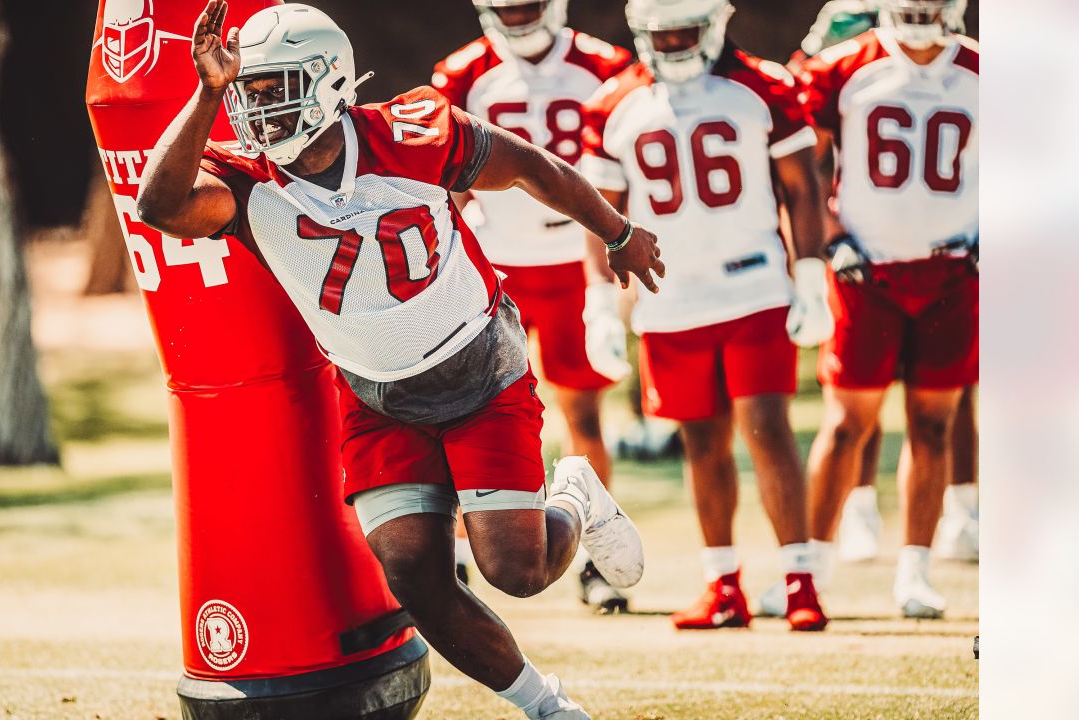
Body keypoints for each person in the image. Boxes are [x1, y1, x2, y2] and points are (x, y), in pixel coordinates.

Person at [137, 3, 664, 717]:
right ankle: (546, 705)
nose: (258, 110)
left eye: (274, 89)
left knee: (517, 570)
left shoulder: (416, 131)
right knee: (414, 575)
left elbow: (531, 165)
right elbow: (158, 204)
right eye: (247, 94)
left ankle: (575, 492)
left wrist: (618, 229)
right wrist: (206, 94)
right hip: (378, 398)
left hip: (479, 372)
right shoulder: (246, 179)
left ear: (327, 81)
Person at [578, 0, 833, 632]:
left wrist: (810, 275)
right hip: (670, 297)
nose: (670, 45)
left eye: (682, 31)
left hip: (754, 287)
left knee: (767, 425)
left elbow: (802, 187)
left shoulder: (765, 87)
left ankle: (801, 580)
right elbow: (599, 211)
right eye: (659, 34)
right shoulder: (613, 105)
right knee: (700, 440)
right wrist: (600, 303)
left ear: (714, 25)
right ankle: (723, 585)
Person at [431, 0, 635, 612]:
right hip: (493, 267)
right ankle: (463, 554)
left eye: (527, 7)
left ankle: (594, 556)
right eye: (506, 9)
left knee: (585, 415)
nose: (518, 19)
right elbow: (448, 183)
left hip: (577, 266)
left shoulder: (605, 66)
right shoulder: (463, 72)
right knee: (469, 414)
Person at [798, 0, 978, 618]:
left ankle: (915, 573)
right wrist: (829, 238)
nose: (920, 12)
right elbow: (801, 169)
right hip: (864, 270)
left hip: (952, 268)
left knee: (933, 426)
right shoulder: (842, 68)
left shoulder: (988, 72)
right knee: (847, 424)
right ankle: (808, 574)